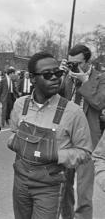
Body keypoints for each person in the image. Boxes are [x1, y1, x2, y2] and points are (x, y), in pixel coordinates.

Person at [8, 52, 92, 219]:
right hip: (20, 183)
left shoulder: (73, 112)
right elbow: (14, 134)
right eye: (47, 74)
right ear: (32, 79)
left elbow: (85, 152)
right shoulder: (20, 105)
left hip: (50, 188)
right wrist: (14, 142)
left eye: (58, 73)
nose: (55, 78)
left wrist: (55, 154)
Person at [59, 44, 105, 219]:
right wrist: (60, 74)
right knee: (64, 189)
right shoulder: (69, 77)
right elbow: (55, 98)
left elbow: (100, 103)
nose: (74, 67)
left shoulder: (101, 78)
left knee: (84, 194)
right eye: (70, 63)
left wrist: (85, 81)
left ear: (88, 61)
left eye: (77, 63)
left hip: (88, 142)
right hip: (67, 141)